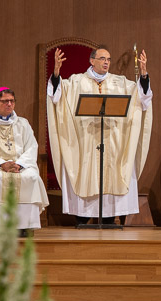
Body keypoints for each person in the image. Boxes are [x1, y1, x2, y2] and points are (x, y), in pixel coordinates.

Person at [47, 45, 153, 226]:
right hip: (86, 141)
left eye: (109, 59)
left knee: (112, 172)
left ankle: (110, 217)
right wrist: (56, 73)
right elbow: (57, 96)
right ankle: (82, 217)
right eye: (102, 59)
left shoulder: (120, 82)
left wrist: (143, 76)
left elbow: (141, 97)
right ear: (92, 61)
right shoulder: (76, 82)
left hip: (113, 140)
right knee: (86, 174)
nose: (106, 62)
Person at [0, 88, 48, 235]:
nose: (9, 104)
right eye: (5, 101)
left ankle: (25, 225)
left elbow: (31, 147)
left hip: (20, 166)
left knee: (32, 177)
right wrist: (2, 163)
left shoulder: (22, 123)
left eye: (12, 101)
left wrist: (20, 164)